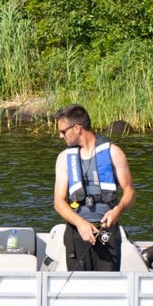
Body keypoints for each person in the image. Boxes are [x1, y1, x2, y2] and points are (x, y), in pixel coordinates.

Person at [52, 104, 135, 271]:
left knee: (107, 283)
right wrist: (80, 223)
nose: (61, 136)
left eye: (63, 131)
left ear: (77, 128)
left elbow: (130, 192)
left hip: (106, 232)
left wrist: (117, 210)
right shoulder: (64, 159)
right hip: (77, 233)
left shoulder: (114, 153)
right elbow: (59, 202)